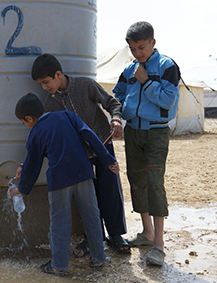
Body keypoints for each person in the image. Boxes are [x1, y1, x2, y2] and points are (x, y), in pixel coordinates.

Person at [9, 93, 120, 276]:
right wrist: (108, 159)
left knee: (60, 222)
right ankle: (99, 258)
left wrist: (22, 188)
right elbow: (90, 135)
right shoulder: (67, 115)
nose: (25, 125)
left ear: (29, 118)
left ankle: (58, 265)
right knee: (92, 215)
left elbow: (33, 164)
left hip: (59, 180)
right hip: (84, 173)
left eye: (24, 122)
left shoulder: (35, 133)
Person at [30, 53, 130, 256]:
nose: (44, 87)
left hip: (104, 146)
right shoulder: (49, 104)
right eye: (40, 84)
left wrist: (116, 119)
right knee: (87, 199)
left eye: (46, 82)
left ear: (58, 74)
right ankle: (92, 238)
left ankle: (116, 235)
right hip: (79, 157)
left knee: (110, 191)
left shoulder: (85, 85)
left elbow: (112, 103)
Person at [113, 21, 181, 266]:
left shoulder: (167, 66)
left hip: (156, 134)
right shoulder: (130, 69)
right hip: (133, 133)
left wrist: (146, 82)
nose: (137, 53)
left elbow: (167, 101)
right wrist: (117, 116)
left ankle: (159, 245)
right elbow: (117, 94)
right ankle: (146, 232)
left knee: (154, 183)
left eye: (141, 47)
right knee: (137, 180)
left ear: (153, 42)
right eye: (133, 49)